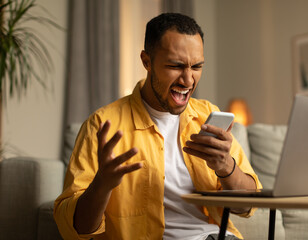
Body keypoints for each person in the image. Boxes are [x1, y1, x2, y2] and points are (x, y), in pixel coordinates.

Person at [54, 13, 261, 240]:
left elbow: (247, 206)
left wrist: (226, 167)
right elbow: (75, 230)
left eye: (197, 66)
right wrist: (101, 185)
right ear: (147, 62)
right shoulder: (103, 126)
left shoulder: (206, 116)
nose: (188, 80)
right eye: (176, 65)